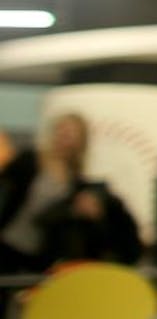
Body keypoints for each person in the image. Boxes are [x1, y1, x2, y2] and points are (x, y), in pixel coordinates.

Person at [0, 113, 141, 273]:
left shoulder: (76, 183)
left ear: (80, 142)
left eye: (70, 135)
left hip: (38, 255)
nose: (64, 139)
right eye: (61, 132)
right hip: (7, 242)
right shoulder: (30, 160)